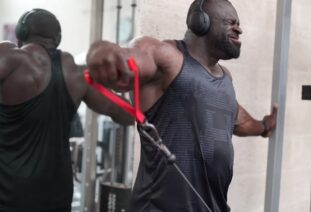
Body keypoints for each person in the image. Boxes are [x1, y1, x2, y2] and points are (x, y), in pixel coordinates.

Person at [86, 0, 278, 211]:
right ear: (201, 22)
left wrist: (264, 126)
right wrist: (102, 53)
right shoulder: (167, 56)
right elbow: (131, 55)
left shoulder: (226, 79)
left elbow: (238, 120)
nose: (239, 29)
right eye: (230, 23)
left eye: (238, 23)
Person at [0, 8, 133, 212]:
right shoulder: (79, 75)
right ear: (58, 38)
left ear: (21, 32)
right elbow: (127, 114)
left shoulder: (9, 56)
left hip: (10, 193)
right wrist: (127, 76)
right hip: (57, 195)